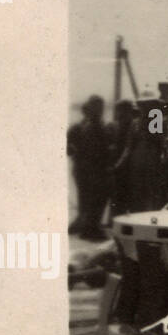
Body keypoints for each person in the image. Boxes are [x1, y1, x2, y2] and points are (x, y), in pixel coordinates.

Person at [114, 88, 168, 213]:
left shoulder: (155, 120)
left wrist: (163, 159)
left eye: (149, 105)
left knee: (152, 196)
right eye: (143, 105)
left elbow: (161, 142)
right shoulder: (135, 123)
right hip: (136, 163)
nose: (145, 108)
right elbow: (128, 147)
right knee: (136, 195)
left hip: (152, 162)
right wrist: (120, 164)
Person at [67, 95, 112, 240]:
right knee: (95, 199)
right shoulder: (93, 126)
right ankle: (90, 229)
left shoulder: (81, 126)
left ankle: (85, 226)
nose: (100, 110)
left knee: (86, 200)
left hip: (84, 169)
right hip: (92, 169)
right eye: (98, 107)